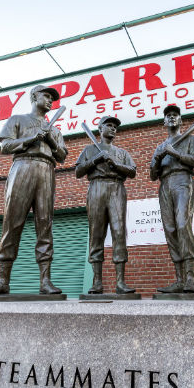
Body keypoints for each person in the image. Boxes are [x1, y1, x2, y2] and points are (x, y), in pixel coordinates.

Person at [0, 85, 67, 295]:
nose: (49, 101)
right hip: (22, 167)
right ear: (34, 97)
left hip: (46, 169)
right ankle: (2, 281)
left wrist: (49, 140)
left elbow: (62, 156)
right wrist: (31, 138)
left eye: (51, 99)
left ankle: (45, 281)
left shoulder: (54, 130)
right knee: (12, 222)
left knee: (45, 224)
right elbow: (4, 147)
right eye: (46, 96)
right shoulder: (18, 119)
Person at [75, 116, 136, 294]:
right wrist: (95, 160)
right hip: (96, 187)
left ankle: (120, 282)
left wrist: (115, 164)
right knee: (96, 233)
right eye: (109, 125)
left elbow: (132, 171)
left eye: (115, 127)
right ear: (100, 129)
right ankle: (97, 282)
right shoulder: (89, 149)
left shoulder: (122, 152)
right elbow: (78, 171)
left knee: (119, 232)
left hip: (117, 188)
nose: (113, 129)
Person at [150, 105, 194, 293]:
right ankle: (179, 279)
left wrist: (176, 153)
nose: (172, 118)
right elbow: (152, 175)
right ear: (164, 122)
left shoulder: (191, 139)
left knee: (182, 224)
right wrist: (157, 158)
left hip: (182, 180)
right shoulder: (160, 146)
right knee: (170, 229)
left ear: (180, 120)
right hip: (165, 184)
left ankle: (190, 278)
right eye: (168, 116)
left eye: (175, 115)